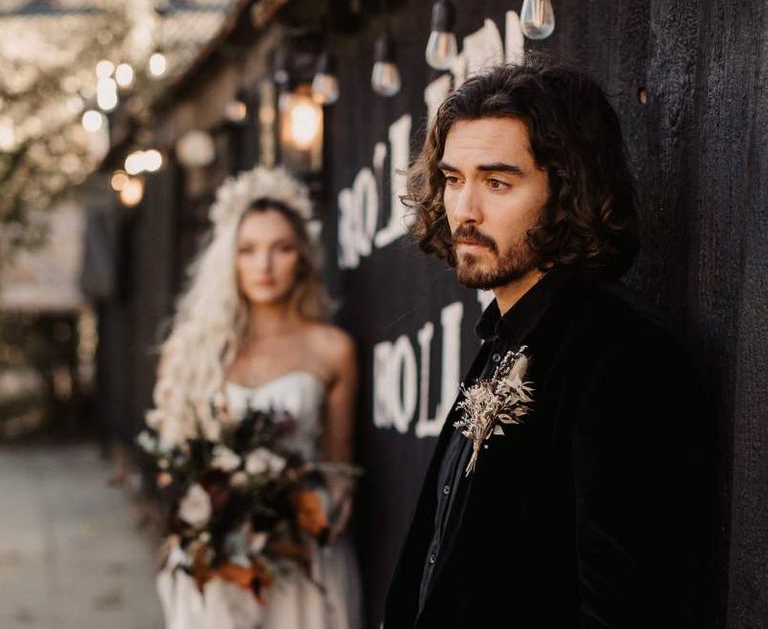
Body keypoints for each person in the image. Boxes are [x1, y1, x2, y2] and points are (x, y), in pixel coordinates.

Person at [384, 59, 712, 628]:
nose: (464, 209)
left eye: (497, 182)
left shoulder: (623, 358)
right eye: (453, 179)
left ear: (565, 190)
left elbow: (624, 610)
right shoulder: (504, 336)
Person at [148, 167, 363, 629]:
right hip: (215, 560)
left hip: (301, 558)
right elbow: (173, 464)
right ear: (229, 259)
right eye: (248, 251)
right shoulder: (191, 350)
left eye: (281, 249)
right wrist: (213, 519)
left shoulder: (332, 348)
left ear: (302, 258)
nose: (264, 266)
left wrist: (310, 510)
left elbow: (339, 466)